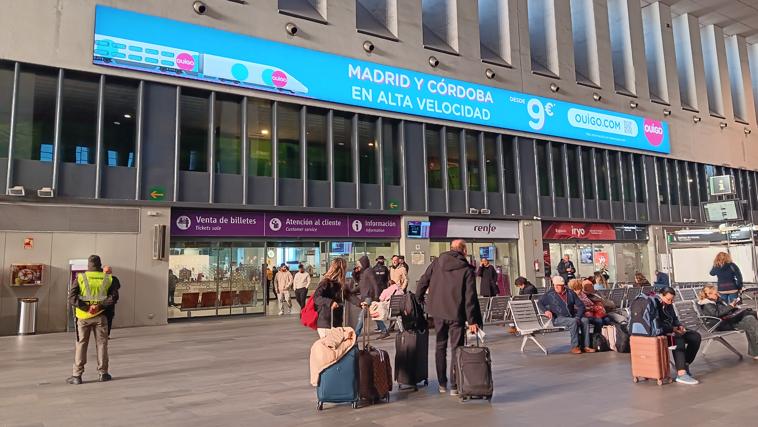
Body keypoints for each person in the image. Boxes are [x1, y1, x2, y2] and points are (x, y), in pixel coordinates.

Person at [417, 239, 481, 396]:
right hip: (456, 314)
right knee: (456, 348)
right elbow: (469, 297)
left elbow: (423, 280)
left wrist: (420, 299)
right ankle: (454, 384)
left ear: (451, 248)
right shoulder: (466, 269)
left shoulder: (437, 262)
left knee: (440, 346)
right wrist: (472, 320)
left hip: (437, 312)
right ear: (464, 251)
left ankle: (441, 383)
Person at [67, 255, 119, 384]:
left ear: (88, 265)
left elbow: (72, 298)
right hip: (101, 316)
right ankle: (103, 373)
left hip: (83, 318)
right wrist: (98, 307)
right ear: (100, 265)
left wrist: (86, 308)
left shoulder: (80, 278)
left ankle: (77, 376)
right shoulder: (108, 279)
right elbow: (113, 298)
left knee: (81, 344)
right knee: (102, 344)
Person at [698, 284, 758, 360]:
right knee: (751, 321)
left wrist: (733, 306)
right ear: (708, 295)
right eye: (715, 294)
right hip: (719, 325)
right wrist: (730, 306)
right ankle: (755, 352)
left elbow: (724, 310)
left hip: (727, 321)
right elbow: (716, 314)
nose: (717, 295)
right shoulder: (706, 304)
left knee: (751, 318)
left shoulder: (716, 300)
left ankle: (755, 352)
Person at [656, 286, 701, 385]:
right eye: (668, 299)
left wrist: (679, 326)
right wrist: (672, 329)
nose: (671, 302)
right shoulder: (655, 305)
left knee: (695, 337)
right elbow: (656, 324)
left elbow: (674, 318)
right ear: (661, 296)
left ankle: (685, 364)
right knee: (678, 339)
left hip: (672, 330)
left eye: (672, 300)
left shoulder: (669, 304)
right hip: (661, 332)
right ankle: (681, 373)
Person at [537, 276, 593, 354]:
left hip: (572, 316)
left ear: (563, 285)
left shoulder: (570, 293)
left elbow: (581, 306)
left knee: (585, 320)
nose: (556, 286)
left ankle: (586, 346)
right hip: (557, 318)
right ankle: (575, 347)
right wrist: (546, 311)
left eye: (558, 285)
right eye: (554, 285)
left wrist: (578, 317)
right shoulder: (550, 294)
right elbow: (539, 303)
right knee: (573, 321)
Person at [313, 258, 351, 338]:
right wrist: (330, 302)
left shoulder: (341, 284)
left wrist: (360, 303)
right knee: (330, 348)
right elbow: (317, 297)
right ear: (341, 270)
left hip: (336, 321)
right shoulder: (326, 282)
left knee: (336, 348)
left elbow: (349, 295)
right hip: (326, 321)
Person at [358, 255, 389, 339]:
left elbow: (374, 283)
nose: (359, 265)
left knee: (361, 317)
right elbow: (362, 284)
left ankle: (356, 334)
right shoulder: (365, 271)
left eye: (359, 263)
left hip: (369, 296)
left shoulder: (369, 271)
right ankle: (384, 330)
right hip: (370, 295)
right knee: (374, 313)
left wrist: (376, 295)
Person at [102, 265, 121, 337]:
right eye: (106, 271)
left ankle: (107, 334)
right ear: (103, 271)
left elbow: (118, 286)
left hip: (110, 302)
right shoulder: (100, 279)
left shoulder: (114, 279)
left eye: (110, 271)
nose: (108, 273)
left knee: (109, 319)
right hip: (101, 302)